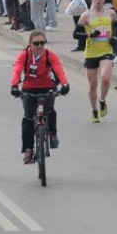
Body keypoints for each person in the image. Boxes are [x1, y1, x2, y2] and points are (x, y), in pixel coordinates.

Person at [10, 31, 70, 164]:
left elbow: (58, 69)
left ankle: (52, 133)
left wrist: (64, 84)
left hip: (47, 87)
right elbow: (17, 70)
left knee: (49, 111)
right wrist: (14, 86)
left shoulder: (49, 55)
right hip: (29, 88)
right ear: (30, 44)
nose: (39, 46)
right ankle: (28, 150)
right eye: (36, 43)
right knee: (28, 118)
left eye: (42, 43)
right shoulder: (24, 55)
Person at [76, 0, 117, 122]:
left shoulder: (111, 13)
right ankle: (94, 111)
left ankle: (102, 100)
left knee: (105, 78)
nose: (98, 0)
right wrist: (89, 35)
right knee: (93, 84)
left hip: (106, 50)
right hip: (91, 52)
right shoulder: (86, 16)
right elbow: (76, 34)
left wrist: (114, 37)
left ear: (104, 0)